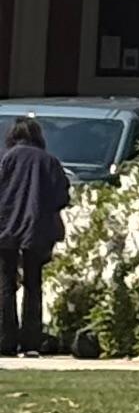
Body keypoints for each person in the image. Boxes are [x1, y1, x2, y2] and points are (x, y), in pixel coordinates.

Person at [0, 118, 71, 359]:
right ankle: (31, 341)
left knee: (5, 283)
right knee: (33, 284)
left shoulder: (5, 159)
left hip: (5, 227)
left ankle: (5, 340)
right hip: (37, 229)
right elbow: (61, 197)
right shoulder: (49, 161)